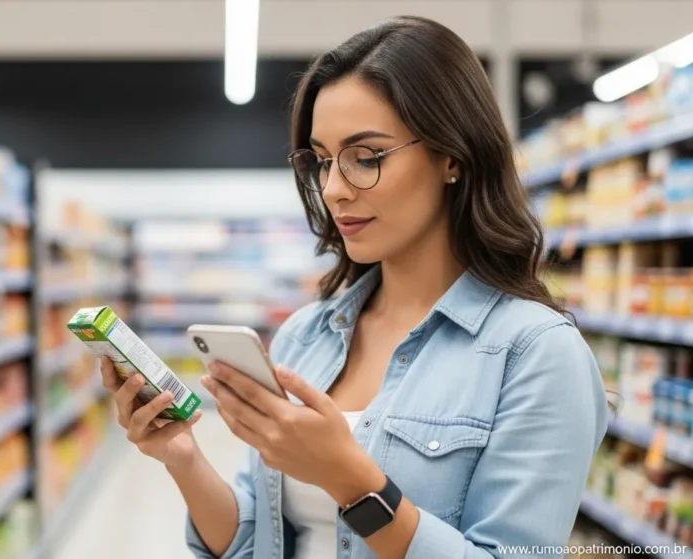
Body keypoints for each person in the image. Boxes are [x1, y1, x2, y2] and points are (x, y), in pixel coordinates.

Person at [98, 15, 608, 559]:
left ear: (452, 157)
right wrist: (183, 457)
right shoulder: (305, 336)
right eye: (321, 161)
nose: (335, 189)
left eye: (366, 158)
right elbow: (257, 544)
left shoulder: (537, 355)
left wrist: (353, 484)